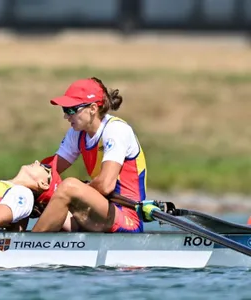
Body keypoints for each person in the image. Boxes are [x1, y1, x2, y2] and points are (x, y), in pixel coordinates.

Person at [32, 77, 159, 233]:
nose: (66, 116)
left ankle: (24, 248)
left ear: (92, 108)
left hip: (127, 218)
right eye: (64, 110)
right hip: (99, 214)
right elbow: (50, 170)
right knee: (36, 186)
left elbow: (106, 185)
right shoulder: (77, 133)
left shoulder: (116, 130)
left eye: (71, 110)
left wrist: (77, 189)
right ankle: (14, 241)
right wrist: (28, 183)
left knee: (69, 186)